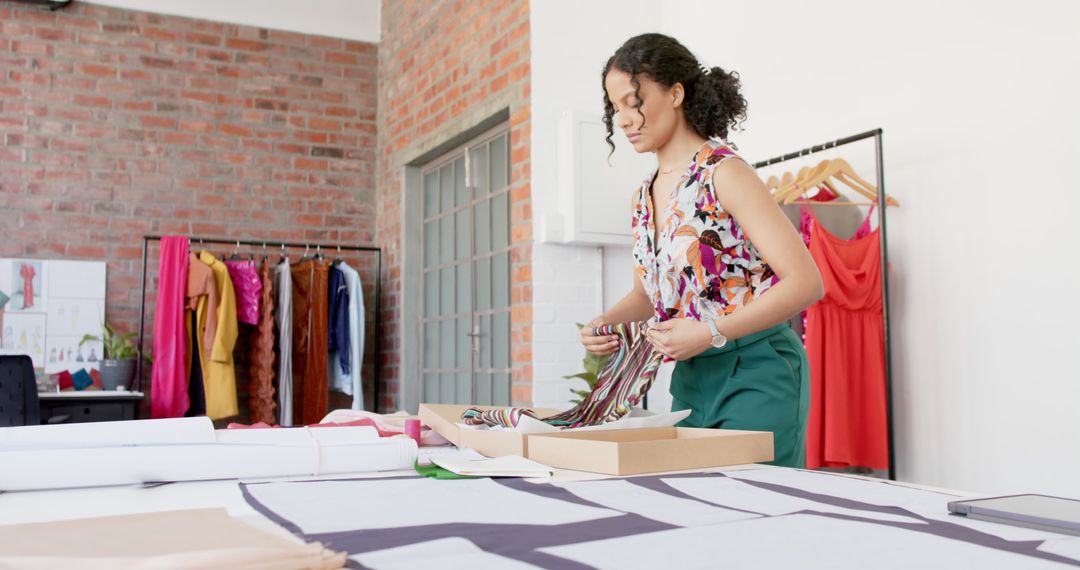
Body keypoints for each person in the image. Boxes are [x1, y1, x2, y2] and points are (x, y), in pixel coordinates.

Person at [582, 33, 824, 467]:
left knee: (758, 514)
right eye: (615, 106)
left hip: (758, 369)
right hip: (691, 377)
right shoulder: (642, 197)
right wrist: (606, 322)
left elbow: (806, 282)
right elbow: (645, 295)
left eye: (633, 101)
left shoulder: (724, 173)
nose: (623, 118)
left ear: (676, 93)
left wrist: (712, 331)